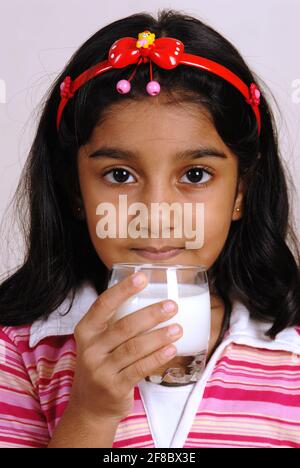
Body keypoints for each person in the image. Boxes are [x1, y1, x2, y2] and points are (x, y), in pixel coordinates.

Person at [0, 8, 299, 448]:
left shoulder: (291, 352)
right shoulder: (20, 353)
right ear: (75, 192)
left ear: (240, 193)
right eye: (120, 175)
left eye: (195, 175)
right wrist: (90, 415)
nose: (157, 212)